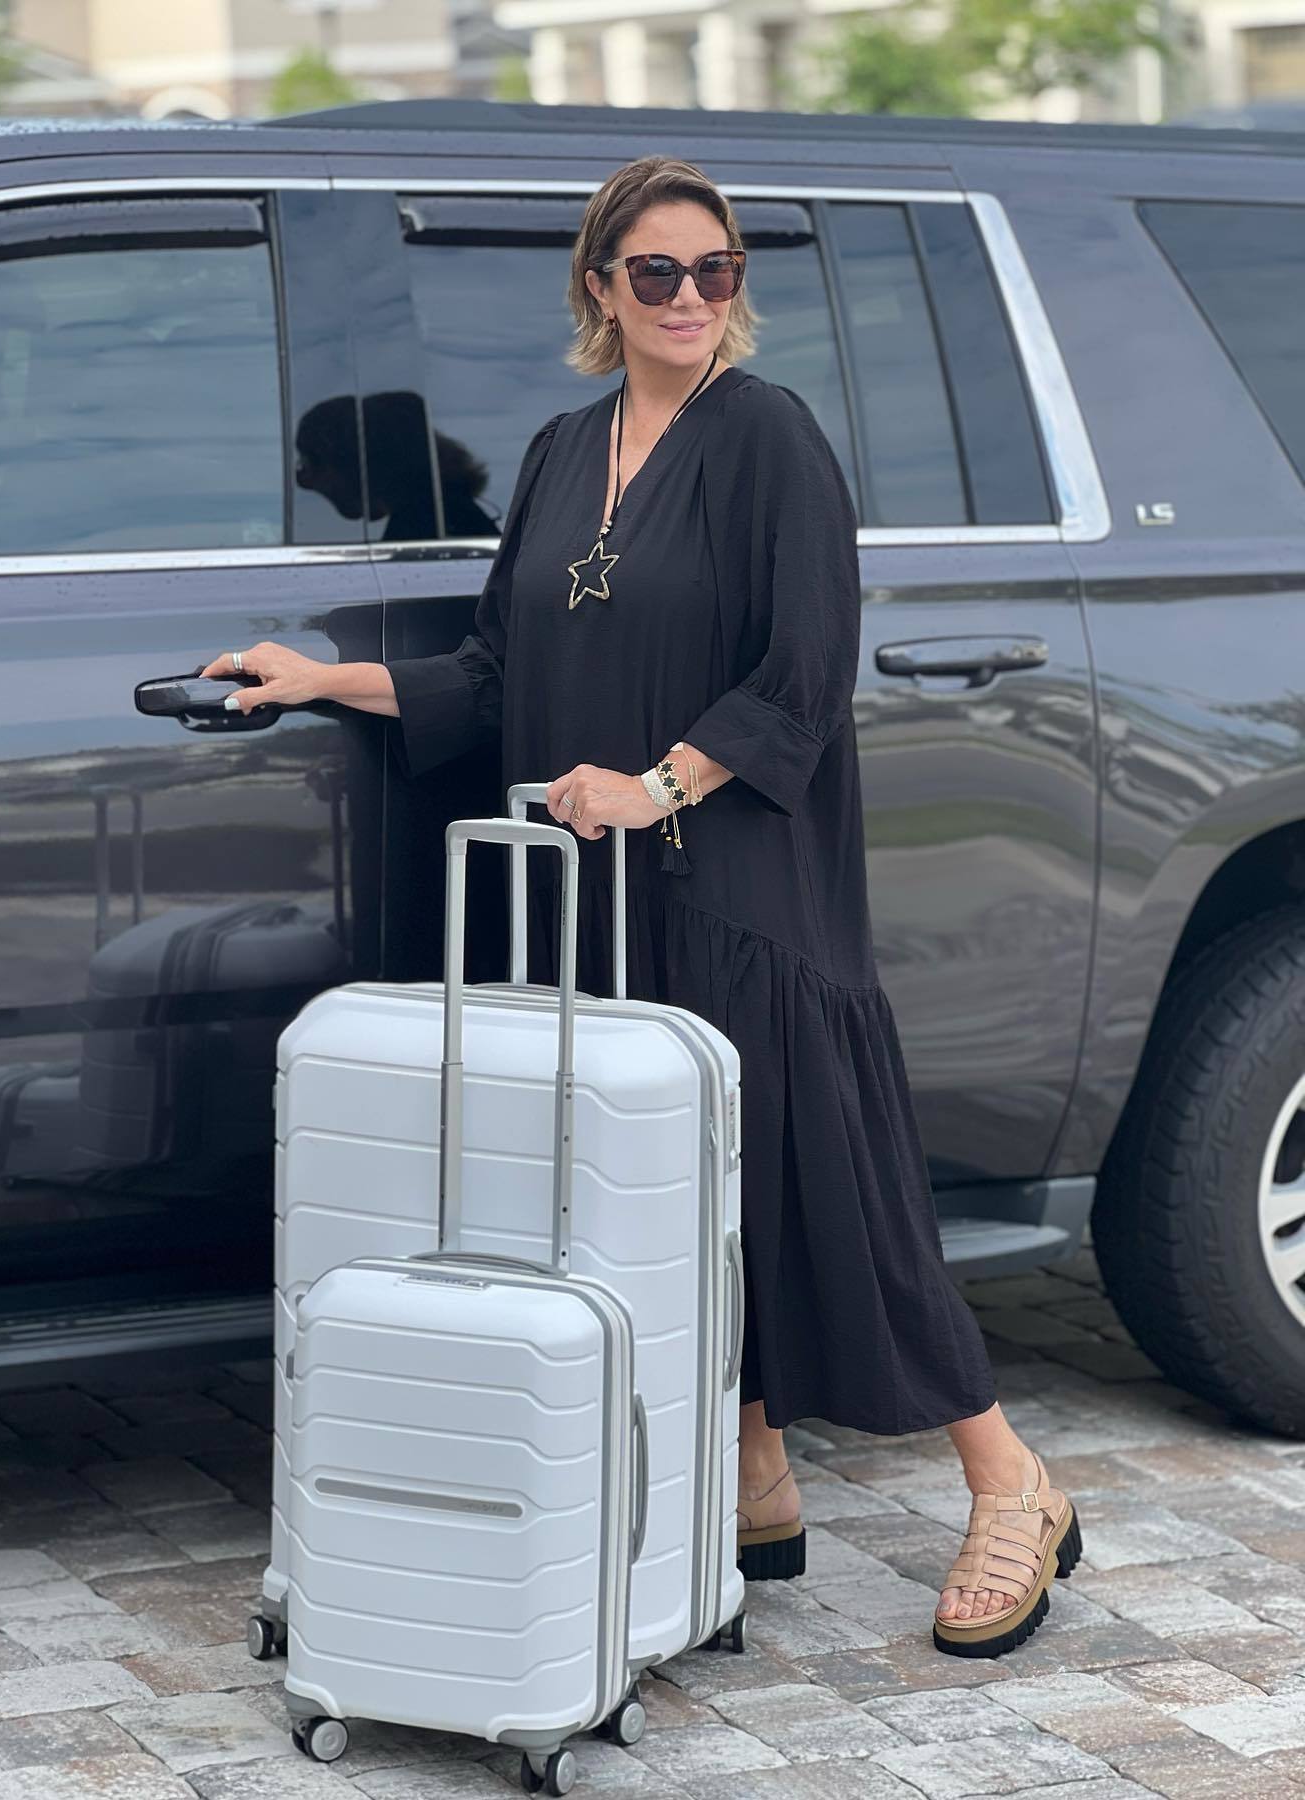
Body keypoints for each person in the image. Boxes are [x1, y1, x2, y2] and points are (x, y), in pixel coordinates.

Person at [204, 154, 1081, 1659]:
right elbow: (496, 670)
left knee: (824, 1190)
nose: (690, 297)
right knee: (670, 1203)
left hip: (743, 889)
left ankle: (1011, 1482)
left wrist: (657, 786)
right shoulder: (563, 449)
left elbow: (803, 678)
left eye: (715, 270)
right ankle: (754, 1477)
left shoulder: (771, 437)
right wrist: (323, 678)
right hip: (600, 903)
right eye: (658, 272)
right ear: (600, 288)